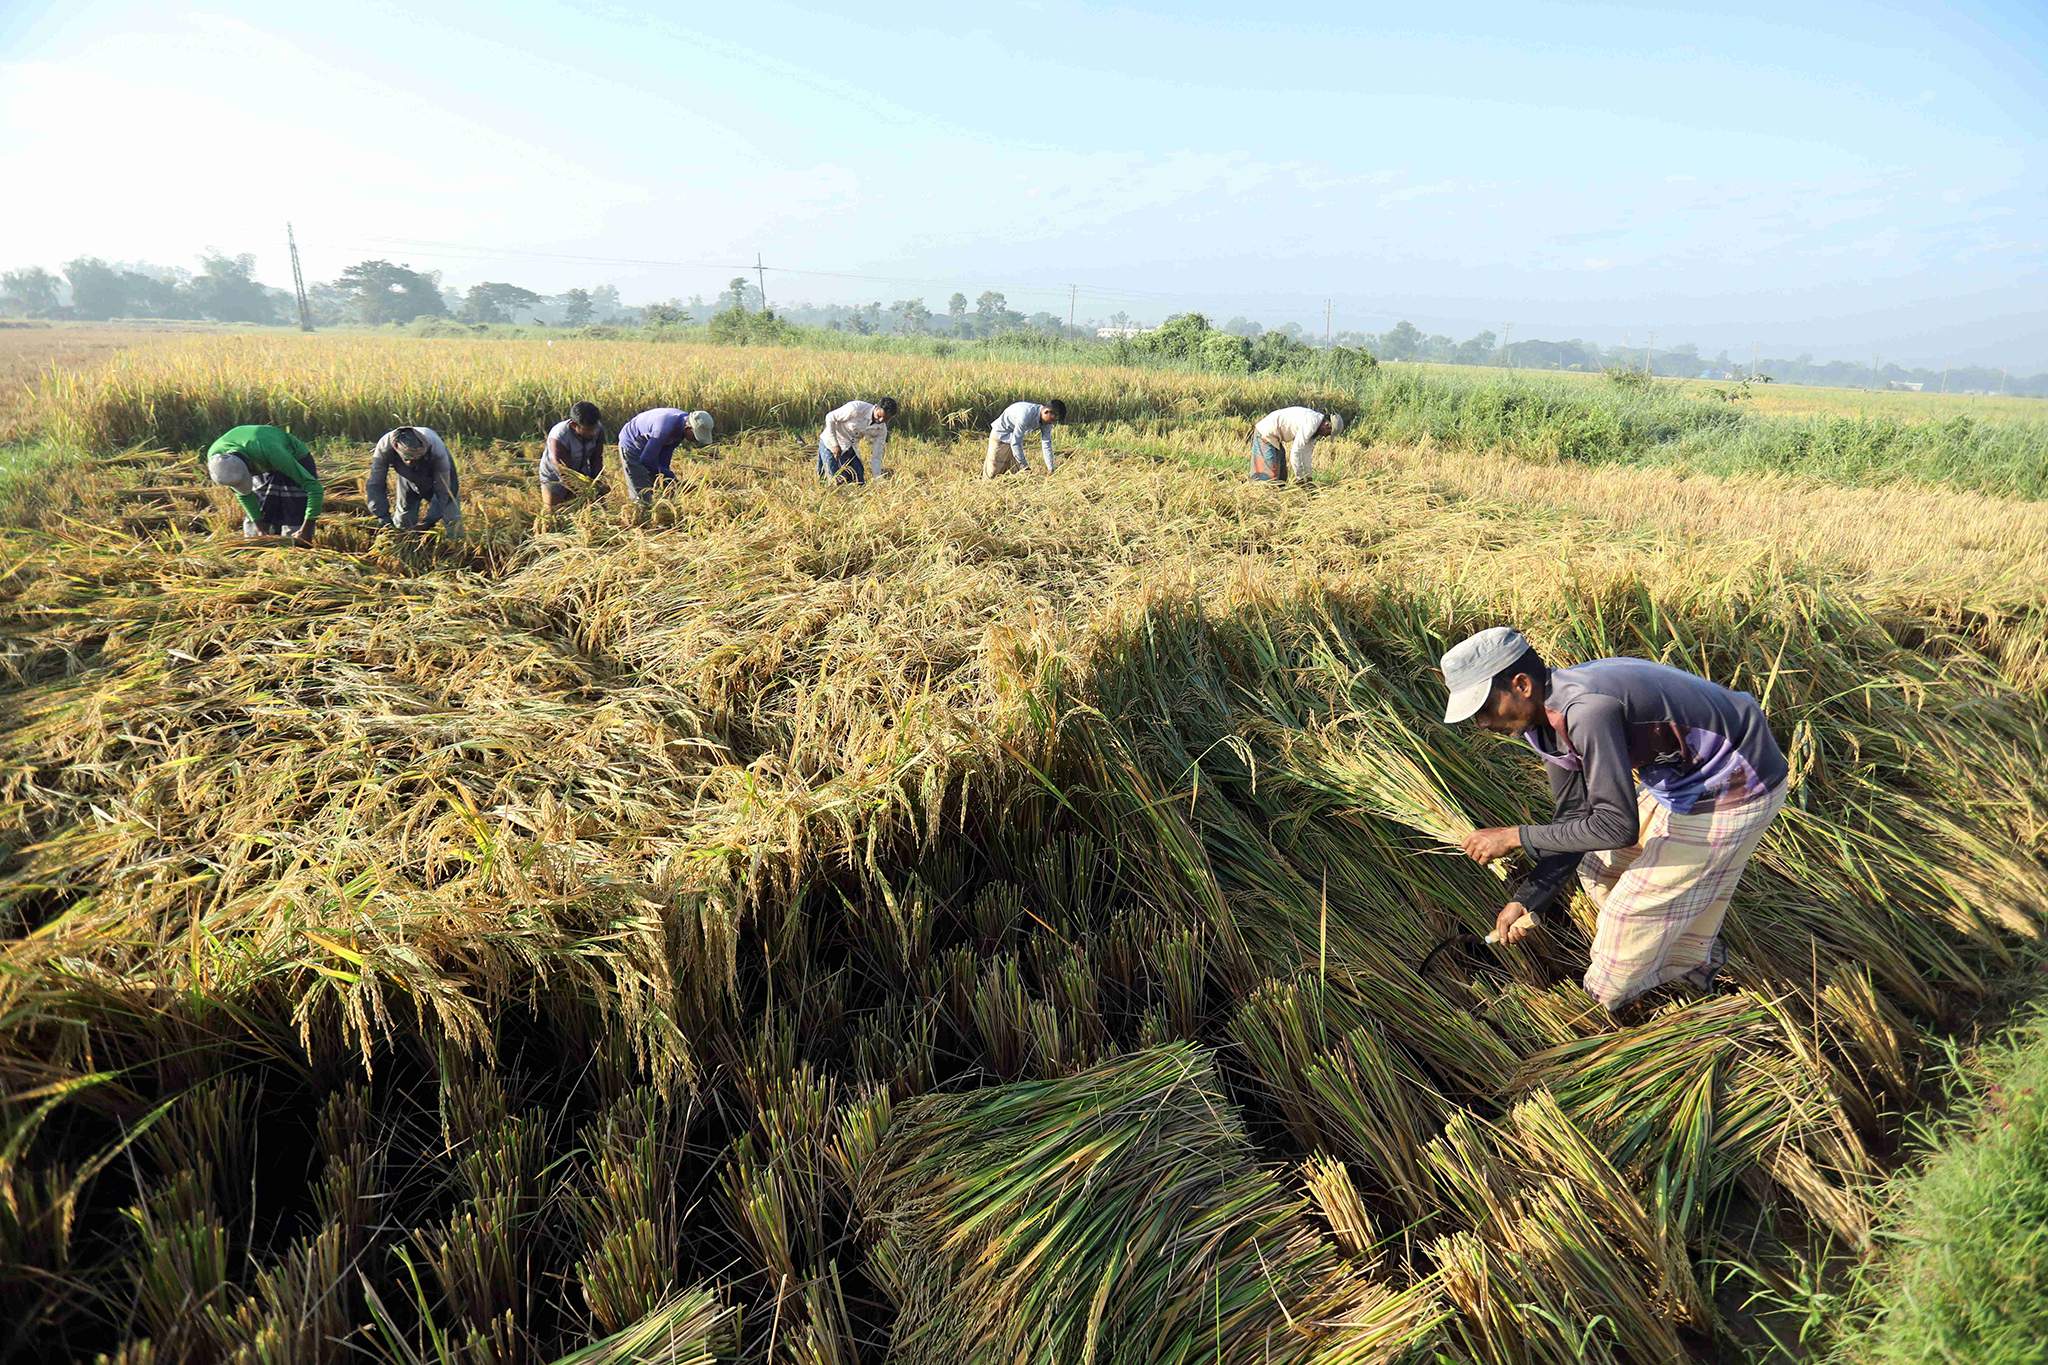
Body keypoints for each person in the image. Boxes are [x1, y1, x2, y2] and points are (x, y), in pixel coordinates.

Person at [1440, 626, 1788, 1012]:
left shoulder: (1586, 711)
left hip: (1736, 779)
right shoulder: (1542, 723)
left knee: (1628, 914)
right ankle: (1670, 950)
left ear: (1521, 684)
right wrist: (1528, 899)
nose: (1482, 724)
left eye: (1485, 709)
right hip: (1680, 777)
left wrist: (1513, 836)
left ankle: (1601, 1007)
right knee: (1598, 870)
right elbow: (1574, 817)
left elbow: (1615, 827)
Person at [204, 424, 323, 544]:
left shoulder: (272, 452)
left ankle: (296, 548)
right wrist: (259, 529)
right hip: (257, 454)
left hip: (291, 455)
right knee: (261, 511)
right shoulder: (218, 461)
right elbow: (244, 494)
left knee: (294, 509)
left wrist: (306, 528)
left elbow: (314, 488)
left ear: (249, 469)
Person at [366, 426, 463, 537]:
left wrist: (429, 521)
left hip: (436, 474)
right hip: (407, 478)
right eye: (408, 459)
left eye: (416, 459)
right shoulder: (384, 447)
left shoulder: (437, 450)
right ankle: (405, 543)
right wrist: (382, 516)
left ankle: (455, 544)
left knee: (451, 516)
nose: (412, 462)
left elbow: (444, 488)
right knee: (403, 518)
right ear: (396, 448)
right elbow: (375, 484)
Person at [617, 407, 714, 504]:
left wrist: (669, 481)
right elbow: (647, 460)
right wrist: (672, 479)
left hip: (650, 443)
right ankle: (640, 512)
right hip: (632, 443)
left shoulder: (681, 428)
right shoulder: (665, 428)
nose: (695, 440)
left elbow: (663, 461)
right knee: (641, 491)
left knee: (661, 482)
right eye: (695, 436)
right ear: (688, 428)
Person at [539, 401, 608, 510]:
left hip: (582, 470)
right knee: (553, 512)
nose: (593, 433)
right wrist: (584, 491)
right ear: (573, 425)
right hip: (555, 474)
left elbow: (596, 459)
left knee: (594, 508)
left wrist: (598, 482)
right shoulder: (559, 436)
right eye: (588, 430)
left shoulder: (597, 429)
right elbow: (564, 471)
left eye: (594, 428)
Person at [1250, 407, 1343, 485]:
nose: (1325, 436)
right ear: (1327, 425)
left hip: (1275, 438)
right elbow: (1296, 452)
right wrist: (1300, 478)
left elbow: (1306, 454)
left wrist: (1308, 477)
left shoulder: (1315, 429)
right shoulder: (1311, 423)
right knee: (1269, 477)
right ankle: (1261, 499)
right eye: (1328, 433)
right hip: (1265, 433)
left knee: (1281, 478)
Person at [817, 397, 899, 484]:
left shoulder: (881, 430)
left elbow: (876, 456)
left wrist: (877, 479)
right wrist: (835, 444)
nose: (881, 420)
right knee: (834, 481)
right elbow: (830, 417)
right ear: (876, 407)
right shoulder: (856, 408)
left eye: (886, 419)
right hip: (830, 443)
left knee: (859, 481)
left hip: (849, 447)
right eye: (879, 416)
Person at [984, 399, 1065, 477]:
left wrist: (1051, 468)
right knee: (993, 472)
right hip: (1001, 435)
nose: (1052, 423)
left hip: (1014, 437)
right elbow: (1016, 443)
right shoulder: (1026, 415)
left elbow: (1046, 444)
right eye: (1053, 419)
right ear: (1046, 411)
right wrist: (1025, 467)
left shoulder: (1047, 422)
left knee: (1014, 472)